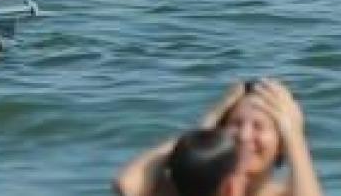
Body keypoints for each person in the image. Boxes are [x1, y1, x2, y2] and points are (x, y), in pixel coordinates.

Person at [114, 80, 323, 196]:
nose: (244, 136)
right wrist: (206, 126)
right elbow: (127, 185)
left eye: (258, 127)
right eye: (236, 124)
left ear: (282, 142)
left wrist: (294, 135)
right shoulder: (192, 190)